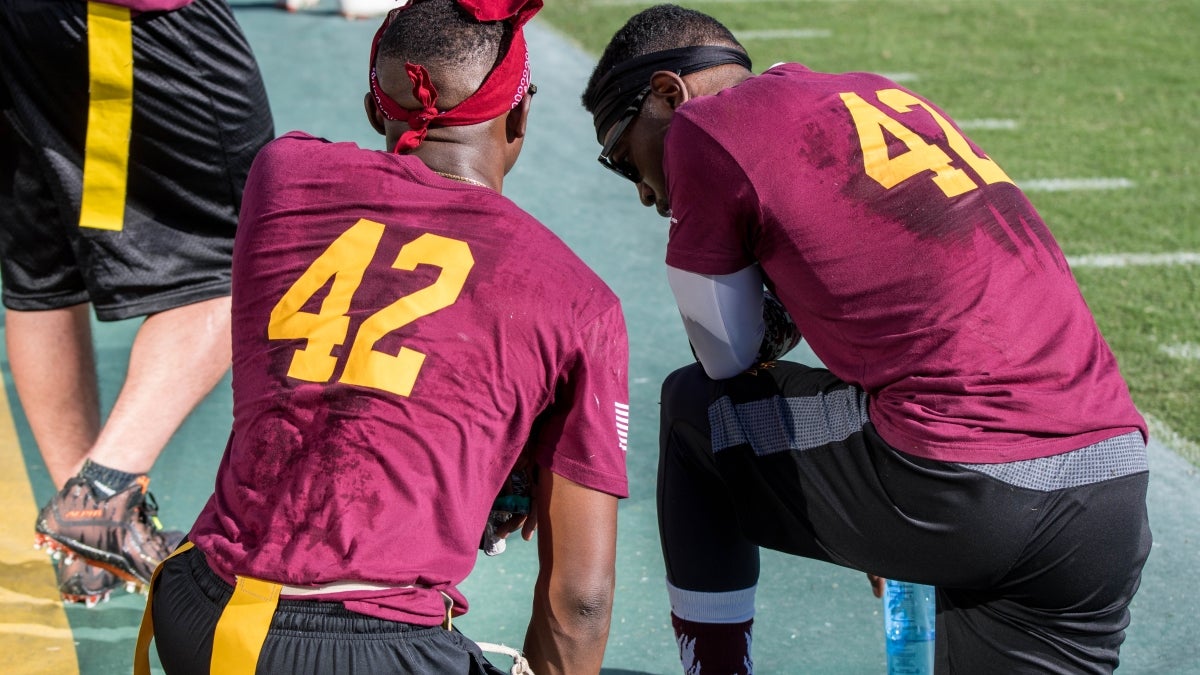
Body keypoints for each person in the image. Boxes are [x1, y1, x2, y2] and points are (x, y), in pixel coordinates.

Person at [581, 4, 1151, 674]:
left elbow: (726, 354)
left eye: (627, 159)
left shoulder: (705, 127)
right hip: (1111, 486)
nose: (645, 193)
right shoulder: (877, 92)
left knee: (693, 411)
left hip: (963, 482)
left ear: (669, 95)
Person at [136, 1, 629, 673]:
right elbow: (580, 602)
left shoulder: (282, 174)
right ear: (520, 117)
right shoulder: (579, 299)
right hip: (375, 652)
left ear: (376, 111)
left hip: (204, 617)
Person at [0, 0, 274, 607]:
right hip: (125, 17)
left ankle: (89, 549)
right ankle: (98, 500)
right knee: (241, 253)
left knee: (41, 273)